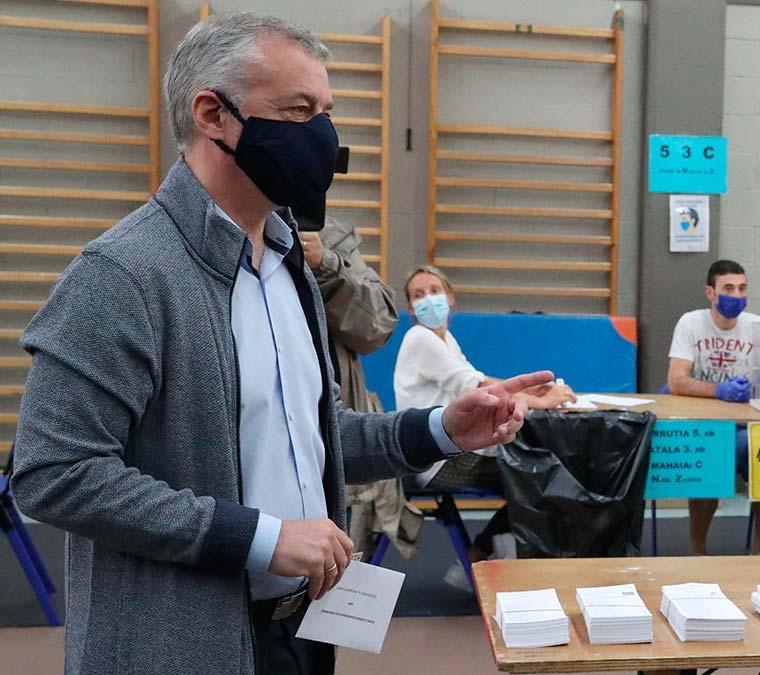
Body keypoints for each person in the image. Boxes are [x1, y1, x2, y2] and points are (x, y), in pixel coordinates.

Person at [10, 14, 551, 675]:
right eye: (298, 111)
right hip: (181, 646)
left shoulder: (288, 263)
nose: (324, 136)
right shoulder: (122, 274)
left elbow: (308, 435)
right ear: (213, 114)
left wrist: (439, 428)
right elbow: (52, 472)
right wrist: (262, 537)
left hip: (299, 633)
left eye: (326, 111)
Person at [393, 265, 576, 586]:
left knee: (539, 472)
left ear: (450, 297)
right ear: (410, 308)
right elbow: (474, 387)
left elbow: (475, 378)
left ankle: (485, 556)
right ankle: (484, 560)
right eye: (418, 295)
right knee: (540, 475)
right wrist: (542, 400)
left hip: (447, 449)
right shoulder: (420, 339)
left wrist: (528, 390)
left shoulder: (444, 339)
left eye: (434, 291)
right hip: (436, 462)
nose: (428, 300)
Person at [299, 217, 423, 560]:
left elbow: (379, 324)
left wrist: (326, 265)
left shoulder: (329, 236)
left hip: (332, 427)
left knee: (340, 572)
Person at [667, 259, 760, 555]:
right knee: (711, 451)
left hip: (746, 425)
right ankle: (698, 549)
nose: (737, 295)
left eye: (743, 288)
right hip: (707, 424)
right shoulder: (691, 323)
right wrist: (719, 390)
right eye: (729, 288)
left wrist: (756, 389)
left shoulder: (757, 325)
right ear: (711, 292)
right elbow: (677, 381)